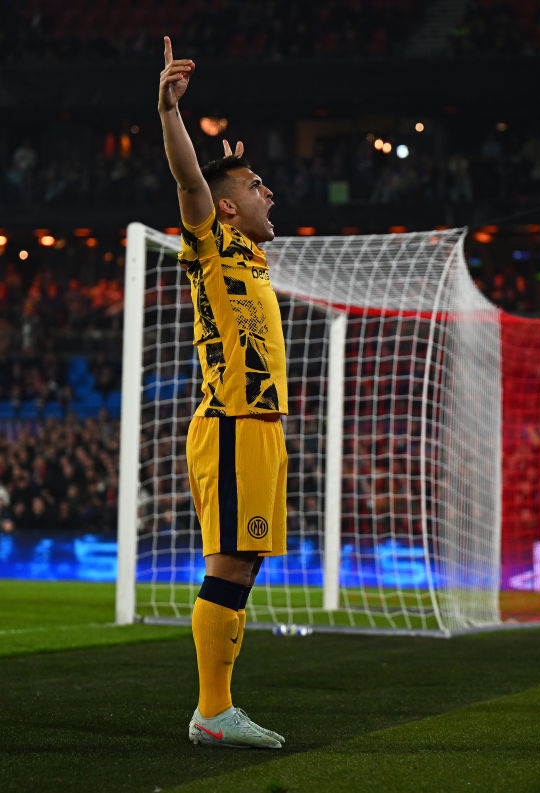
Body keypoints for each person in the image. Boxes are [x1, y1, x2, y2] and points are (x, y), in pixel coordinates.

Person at [158, 36, 288, 750]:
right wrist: (171, 114)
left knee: (245, 564)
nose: (271, 192)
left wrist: (231, 171)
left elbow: (214, 184)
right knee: (231, 563)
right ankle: (213, 711)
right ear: (228, 207)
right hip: (232, 420)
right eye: (257, 185)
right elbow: (190, 184)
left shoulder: (252, 257)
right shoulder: (210, 241)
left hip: (260, 426)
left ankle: (218, 708)